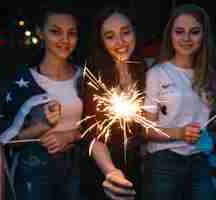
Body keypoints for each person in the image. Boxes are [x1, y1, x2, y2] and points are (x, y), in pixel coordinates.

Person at [0, 2, 84, 200]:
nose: (65, 39)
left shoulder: (84, 78)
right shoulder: (25, 82)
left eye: (71, 33)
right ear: (41, 33)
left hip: (76, 170)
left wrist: (70, 135)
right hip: (33, 172)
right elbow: (6, 141)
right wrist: (42, 126)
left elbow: (97, 125)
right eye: (56, 31)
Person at [142, 4, 216, 200]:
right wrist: (180, 133)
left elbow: (211, 125)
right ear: (170, 34)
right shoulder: (157, 74)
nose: (186, 38)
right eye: (179, 31)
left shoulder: (209, 76)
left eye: (194, 32)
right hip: (164, 162)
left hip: (200, 159)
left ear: (203, 36)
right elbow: (146, 130)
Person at [82, 5, 147, 200]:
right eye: (110, 36)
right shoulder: (94, 76)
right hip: (104, 170)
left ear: (135, 31)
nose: (120, 42)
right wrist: (111, 172)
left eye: (125, 32)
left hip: (140, 168)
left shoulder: (144, 69)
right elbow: (92, 135)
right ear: (101, 42)